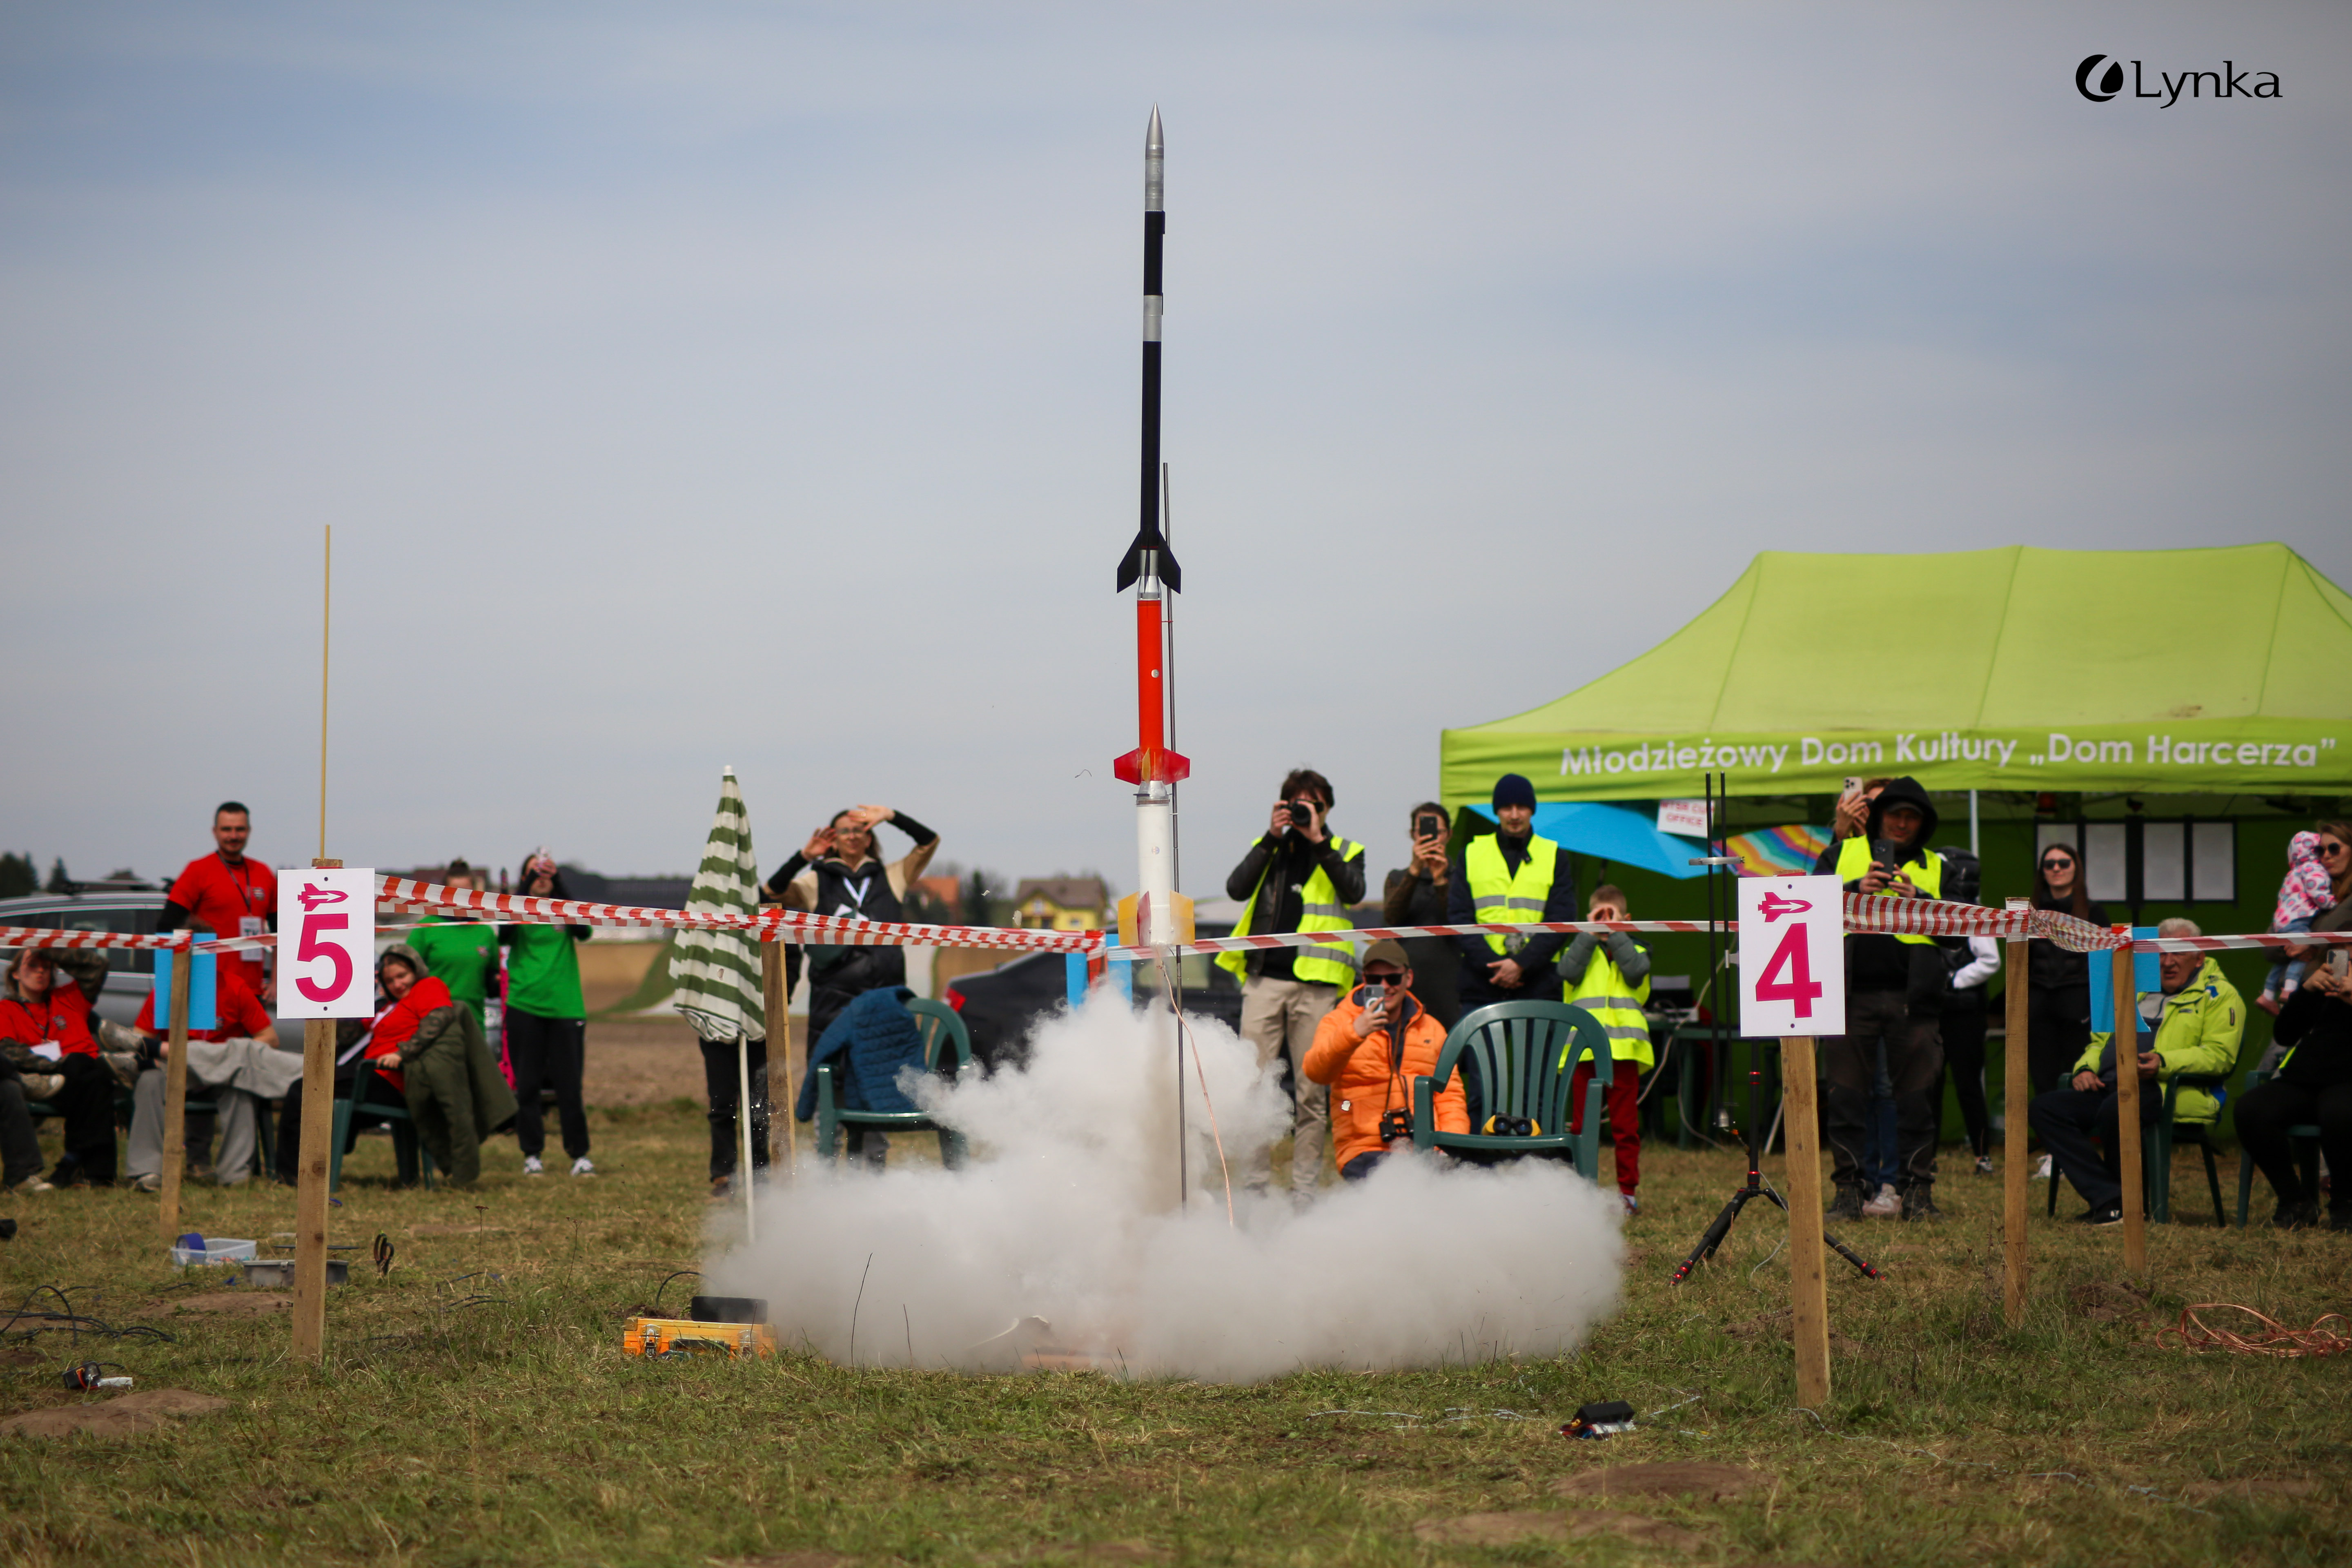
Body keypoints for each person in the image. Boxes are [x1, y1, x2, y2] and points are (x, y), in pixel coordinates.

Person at [2026, 919, 2242, 1225]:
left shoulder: (2219, 995)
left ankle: (2125, 1204)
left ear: (2199, 957)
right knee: (2045, 1109)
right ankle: (2110, 1197)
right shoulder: (2135, 988)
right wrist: (2085, 1068)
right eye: (2159, 953)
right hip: (2109, 1084)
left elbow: (2220, 1056)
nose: (2167, 962)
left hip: (2165, 1088)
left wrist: (2164, 1062)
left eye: (2177, 953)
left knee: (2119, 1108)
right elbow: (2100, 1040)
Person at [766, 804, 940, 1167]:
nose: (852, 836)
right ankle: (826, 1171)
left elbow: (929, 842)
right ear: (833, 839)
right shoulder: (817, 880)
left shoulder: (891, 876)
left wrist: (892, 816)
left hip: (882, 997)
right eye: (844, 831)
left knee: (876, 1078)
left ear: (870, 837)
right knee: (831, 1077)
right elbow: (771, 893)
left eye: (860, 830)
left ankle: (871, 1174)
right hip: (833, 999)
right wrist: (803, 857)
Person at [1221, 768, 1365, 1198]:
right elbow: (1236, 888)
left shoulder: (1345, 849)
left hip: (1318, 987)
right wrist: (1270, 837)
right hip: (1266, 980)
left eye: (1314, 805)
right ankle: (1254, 1186)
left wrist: (1319, 840)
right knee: (1253, 1088)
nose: (1305, 812)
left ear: (1327, 809)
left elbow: (1354, 892)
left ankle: (1303, 1189)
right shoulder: (1271, 848)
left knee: (1312, 1093)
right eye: (1297, 803)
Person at [1812, 775, 1946, 1221]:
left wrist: (1921, 900)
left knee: (1917, 1103)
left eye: (1912, 817)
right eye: (1895, 815)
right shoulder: (1839, 855)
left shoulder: (1938, 866)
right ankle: (1849, 1193)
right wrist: (1852, 893)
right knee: (1846, 1100)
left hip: (1916, 1001)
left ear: (1924, 823)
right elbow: (1804, 915)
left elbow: (1961, 934)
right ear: (1878, 817)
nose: (1903, 824)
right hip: (1849, 998)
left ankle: (1917, 1195)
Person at [122, 960, 294, 1191]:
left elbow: (270, 1039)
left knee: (239, 1081)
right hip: (174, 1070)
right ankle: (146, 1173)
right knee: (149, 1081)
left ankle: (235, 1176)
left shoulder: (234, 987)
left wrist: (225, 1054)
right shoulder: (165, 991)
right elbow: (137, 1041)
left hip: (224, 1071)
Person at [1303, 941, 1467, 1181]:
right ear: (1363, 979)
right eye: (1374, 980)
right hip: (1362, 1145)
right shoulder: (1338, 1022)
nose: (1384, 987)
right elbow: (1317, 1073)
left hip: (1427, 1144)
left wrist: (1452, 1143)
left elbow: (1450, 1094)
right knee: (1398, 1185)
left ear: (1408, 978)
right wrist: (1354, 1033)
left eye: (1393, 978)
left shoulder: (1432, 1028)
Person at [362, 945, 516, 1188]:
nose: (397, 984)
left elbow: (439, 1016)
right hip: (376, 1071)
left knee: (455, 1113)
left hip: (397, 1073)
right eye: (389, 980)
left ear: (416, 970)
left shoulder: (427, 986)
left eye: (402, 976)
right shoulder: (388, 1005)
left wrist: (404, 1053)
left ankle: (461, 1176)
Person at [2235, 936, 2352, 1229]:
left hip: (2346, 1084)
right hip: (2305, 1079)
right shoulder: (2323, 991)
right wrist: (2306, 992)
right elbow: (2285, 1035)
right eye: (2342, 959)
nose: (2347, 968)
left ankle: (2345, 1203)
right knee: (2251, 1109)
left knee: (2339, 1113)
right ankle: (2295, 1200)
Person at [1447, 773, 1579, 1015]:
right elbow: (1459, 917)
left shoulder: (1554, 855)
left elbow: (1562, 919)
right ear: (1497, 811)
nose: (1515, 815)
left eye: (1522, 807)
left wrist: (1522, 964)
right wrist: (1496, 968)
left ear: (1533, 811)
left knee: (1538, 1055)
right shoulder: (1471, 853)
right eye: (1507, 807)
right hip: (1482, 983)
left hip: (1539, 983)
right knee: (1482, 1055)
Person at [1558, 884, 1650, 1214]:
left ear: (1627, 919)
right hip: (1585, 1052)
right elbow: (1567, 971)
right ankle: (1581, 1190)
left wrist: (1616, 934)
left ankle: (1627, 1194)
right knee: (1582, 1127)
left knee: (1625, 1128)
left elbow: (1636, 972)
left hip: (1624, 1050)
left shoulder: (1637, 948)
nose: (1605, 921)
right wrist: (1589, 932)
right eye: (1600, 915)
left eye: (1612, 915)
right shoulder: (1578, 948)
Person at [503, 851, 593, 1176]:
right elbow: (503, 935)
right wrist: (527, 885)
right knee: (527, 1086)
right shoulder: (516, 909)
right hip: (524, 1006)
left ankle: (579, 1155)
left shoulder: (564, 908)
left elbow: (584, 932)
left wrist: (558, 883)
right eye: (533, 873)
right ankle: (532, 1155)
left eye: (546, 873)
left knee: (569, 1088)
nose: (540, 878)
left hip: (565, 1008)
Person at [0, 948, 117, 1187]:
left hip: (84, 1077)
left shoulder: (69, 997)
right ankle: (90, 1168)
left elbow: (98, 965)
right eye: (33, 965)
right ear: (15, 975)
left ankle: (83, 1167)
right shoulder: (6, 1009)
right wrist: (58, 1063)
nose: (41, 970)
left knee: (94, 1075)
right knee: (88, 1071)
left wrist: (51, 949)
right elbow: (10, 1052)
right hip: (41, 1078)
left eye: (47, 965)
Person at [2025, 838, 2110, 1118]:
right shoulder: (2028, 914)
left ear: (2076, 869)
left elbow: (2104, 966)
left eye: (2064, 863)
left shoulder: (2095, 913)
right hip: (2038, 1003)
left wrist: (2097, 1008)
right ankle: (2051, 1147)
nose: (2057, 869)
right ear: (2042, 871)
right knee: (2041, 1072)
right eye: (2049, 864)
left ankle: (2075, 1137)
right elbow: (2020, 964)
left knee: (2078, 1069)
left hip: (2079, 1004)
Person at [159, 802, 277, 1004]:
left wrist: (276, 982)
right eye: (226, 829)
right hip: (209, 991)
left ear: (249, 831)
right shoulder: (197, 871)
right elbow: (166, 927)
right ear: (215, 832)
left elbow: (280, 935)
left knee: (264, 1038)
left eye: (240, 829)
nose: (233, 836)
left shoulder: (263, 873)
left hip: (252, 992)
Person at [1936, 848, 1999, 1176]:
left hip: (1964, 1013)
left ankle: (1982, 1155)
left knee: (1968, 1085)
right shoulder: (1931, 909)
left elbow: (1991, 960)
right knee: (1928, 1083)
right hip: (1935, 1009)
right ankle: (1925, 1157)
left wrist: (1952, 980)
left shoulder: (1973, 913)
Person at [1380, 802, 1460, 1028]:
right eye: (1422, 831)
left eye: (1437, 832)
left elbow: (1455, 923)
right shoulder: (1397, 878)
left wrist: (1440, 881)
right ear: (1413, 835)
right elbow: (1392, 918)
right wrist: (1414, 872)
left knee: (1447, 1051)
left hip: (1448, 984)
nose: (1429, 837)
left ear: (1449, 835)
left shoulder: (1460, 879)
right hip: (1405, 982)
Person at [408, 859, 503, 1028]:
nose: (460, 897)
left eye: (465, 892)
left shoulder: (485, 931)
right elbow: (407, 973)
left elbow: (493, 979)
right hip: (433, 1022)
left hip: (474, 1023)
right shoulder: (426, 928)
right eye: (454, 892)